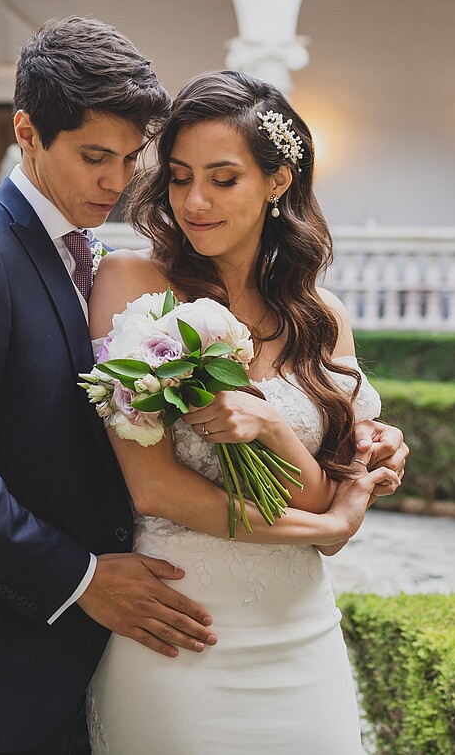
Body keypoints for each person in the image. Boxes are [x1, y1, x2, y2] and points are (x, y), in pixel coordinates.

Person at [0, 21, 407, 755]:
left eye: (129, 159)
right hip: (3, 664)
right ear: (25, 133)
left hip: (185, 633)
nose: (117, 183)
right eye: (97, 158)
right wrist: (82, 578)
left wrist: (331, 444)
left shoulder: (101, 260)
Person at [86, 70, 396, 754]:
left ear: (278, 181)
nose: (194, 201)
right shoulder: (132, 284)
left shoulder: (322, 318)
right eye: (179, 176)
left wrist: (274, 427)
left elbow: (319, 499)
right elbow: (155, 486)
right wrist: (330, 523)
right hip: (179, 626)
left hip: (303, 632)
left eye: (223, 179)